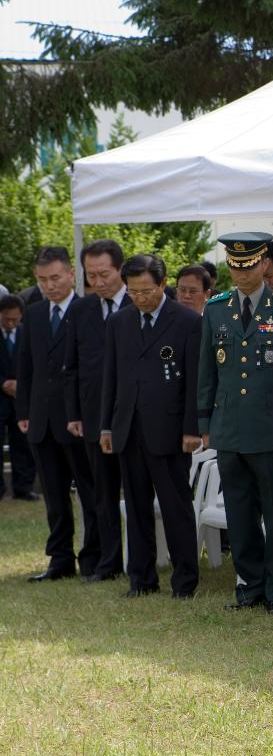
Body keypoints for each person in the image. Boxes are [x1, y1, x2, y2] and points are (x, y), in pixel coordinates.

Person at [197, 232, 273, 614]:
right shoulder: (216, 308)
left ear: (264, 265)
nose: (241, 272)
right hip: (229, 428)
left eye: (249, 264)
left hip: (271, 429)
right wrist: (204, 422)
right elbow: (206, 372)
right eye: (235, 265)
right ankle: (249, 586)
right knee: (239, 514)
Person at [99, 254, 203, 598]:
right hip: (129, 428)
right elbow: (110, 379)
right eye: (133, 292)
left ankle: (185, 580)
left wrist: (192, 428)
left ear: (162, 284)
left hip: (170, 431)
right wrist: (106, 427)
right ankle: (141, 579)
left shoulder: (186, 321)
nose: (140, 298)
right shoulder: (119, 322)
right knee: (137, 507)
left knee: (176, 508)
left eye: (147, 291)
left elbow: (194, 382)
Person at [17, 246, 101, 581]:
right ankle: (60, 559)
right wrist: (24, 409)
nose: (49, 286)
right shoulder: (34, 313)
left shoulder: (87, 309)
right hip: (41, 418)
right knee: (53, 496)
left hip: (76, 418)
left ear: (71, 275)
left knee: (90, 492)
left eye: (55, 278)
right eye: (42, 280)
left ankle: (94, 557)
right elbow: (26, 366)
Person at [63, 239, 129, 583]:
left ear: (120, 269)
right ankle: (108, 561)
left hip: (135, 416)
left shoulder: (141, 301)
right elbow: (72, 366)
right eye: (92, 276)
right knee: (101, 494)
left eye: (105, 274)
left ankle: (142, 561)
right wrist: (74, 413)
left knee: (136, 492)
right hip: (92, 416)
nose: (99, 282)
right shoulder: (82, 310)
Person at [0, 294, 36, 501]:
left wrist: (20, 385)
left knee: (23, 444)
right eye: (6, 319)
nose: (11, 323)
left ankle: (24, 487)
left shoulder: (25, 334)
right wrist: (3, 383)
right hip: (1, 395)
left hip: (20, 398)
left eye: (15, 319)